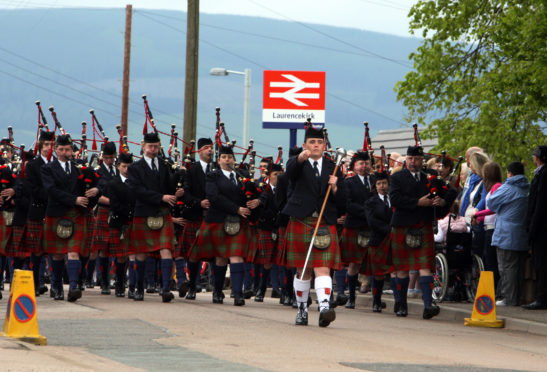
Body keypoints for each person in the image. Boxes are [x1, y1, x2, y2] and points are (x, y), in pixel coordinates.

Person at [281, 126, 345, 327]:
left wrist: (336, 188)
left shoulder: (332, 166)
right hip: (302, 220)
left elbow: (343, 203)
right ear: (305, 145)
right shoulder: (297, 163)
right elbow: (290, 171)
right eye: (312, 142)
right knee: (303, 271)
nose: (316, 146)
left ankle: (325, 308)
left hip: (324, 222)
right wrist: (300, 158)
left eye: (319, 143)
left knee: (323, 268)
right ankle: (302, 310)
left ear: (324, 146)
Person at [390, 145, 456, 319]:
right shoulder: (397, 177)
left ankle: (428, 305)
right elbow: (395, 199)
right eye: (411, 159)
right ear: (406, 160)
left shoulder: (431, 177)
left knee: (426, 266)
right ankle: (401, 304)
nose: (413, 162)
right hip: (402, 226)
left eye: (417, 159)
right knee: (402, 269)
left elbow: (452, 191)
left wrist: (442, 202)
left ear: (422, 160)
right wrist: (417, 203)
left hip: (423, 225)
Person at [188, 145, 253, 306]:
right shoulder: (213, 176)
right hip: (218, 220)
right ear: (219, 160)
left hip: (237, 222)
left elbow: (254, 192)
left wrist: (257, 200)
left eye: (230, 157)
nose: (227, 160)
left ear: (234, 160)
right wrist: (236, 209)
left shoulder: (242, 176)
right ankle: (217, 291)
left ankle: (237, 293)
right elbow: (213, 197)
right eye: (224, 157)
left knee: (236, 255)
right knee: (221, 258)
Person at [41, 134, 98, 302]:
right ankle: (57, 286)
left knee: (74, 252)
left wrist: (96, 191)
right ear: (56, 150)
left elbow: (97, 184)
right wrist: (73, 199)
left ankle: (73, 287)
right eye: (61, 149)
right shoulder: (48, 168)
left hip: (75, 215)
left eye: (67, 149)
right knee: (58, 254)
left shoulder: (78, 170)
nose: (64, 152)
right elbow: (51, 190)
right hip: (56, 213)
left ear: (72, 151)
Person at [126, 132, 181, 302]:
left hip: (162, 213)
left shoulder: (166, 165)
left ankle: (165, 289)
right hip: (144, 212)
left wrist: (177, 188)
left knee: (166, 249)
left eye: (156, 146)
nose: (153, 149)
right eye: (150, 146)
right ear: (143, 146)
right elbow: (136, 191)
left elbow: (169, 187)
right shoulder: (135, 168)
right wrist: (161, 197)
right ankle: (138, 288)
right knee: (141, 253)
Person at [488, 162, 529, 306]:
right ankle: (517, 298)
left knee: (506, 267)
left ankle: (508, 299)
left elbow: (491, 202)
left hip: (506, 234)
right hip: (522, 234)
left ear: (510, 173)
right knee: (519, 269)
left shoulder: (507, 188)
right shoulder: (527, 188)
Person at [339, 151, 373, 309]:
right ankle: (351, 298)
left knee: (375, 263)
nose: (364, 166)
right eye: (361, 163)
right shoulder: (349, 182)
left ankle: (376, 299)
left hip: (373, 226)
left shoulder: (375, 181)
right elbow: (348, 204)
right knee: (353, 264)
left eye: (367, 163)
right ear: (354, 166)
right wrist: (367, 212)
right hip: (355, 225)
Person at [24, 130, 54, 296]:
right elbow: (32, 189)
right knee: (36, 251)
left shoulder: (57, 164)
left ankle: (54, 286)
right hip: (38, 210)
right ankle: (35, 283)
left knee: (54, 251)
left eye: (51, 145)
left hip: (54, 211)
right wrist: (52, 194)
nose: (48, 148)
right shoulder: (33, 166)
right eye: (46, 145)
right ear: (40, 146)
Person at [183, 138, 214, 300]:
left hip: (215, 217)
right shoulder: (192, 170)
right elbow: (186, 194)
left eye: (212, 148)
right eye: (207, 148)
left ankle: (217, 289)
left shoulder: (217, 168)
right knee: (193, 254)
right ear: (199, 151)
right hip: (196, 216)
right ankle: (192, 287)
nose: (210, 151)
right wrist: (199, 203)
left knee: (216, 254)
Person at [90, 141, 119, 294]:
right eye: (107, 157)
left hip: (116, 212)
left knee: (114, 247)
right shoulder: (98, 172)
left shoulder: (117, 172)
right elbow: (96, 195)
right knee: (101, 248)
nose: (109, 160)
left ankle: (112, 280)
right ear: (102, 157)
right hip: (103, 210)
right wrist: (112, 202)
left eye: (111, 157)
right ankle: (104, 281)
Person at [106, 152, 135, 297]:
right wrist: (130, 211)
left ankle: (133, 286)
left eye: (129, 166)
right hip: (118, 222)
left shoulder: (136, 183)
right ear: (118, 167)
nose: (127, 169)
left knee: (134, 255)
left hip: (133, 222)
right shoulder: (113, 183)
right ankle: (119, 284)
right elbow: (115, 205)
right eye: (124, 166)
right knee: (121, 256)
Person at [363, 171, 393, 312]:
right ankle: (376, 301)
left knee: (397, 271)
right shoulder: (370, 202)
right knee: (378, 273)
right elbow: (371, 221)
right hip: (378, 240)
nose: (382, 186)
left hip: (394, 239)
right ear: (375, 186)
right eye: (379, 184)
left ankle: (399, 302)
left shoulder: (394, 199)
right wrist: (389, 229)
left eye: (384, 183)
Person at [523, 146, 547, 310]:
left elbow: (540, 204)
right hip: (541, 226)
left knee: (542, 263)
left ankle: (542, 298)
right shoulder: (541, 173)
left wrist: (532, 227)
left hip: (542, 228)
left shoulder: (543, 175)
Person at [472, 161, 503, 287]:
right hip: (487, 226)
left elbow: (493, 208)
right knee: (487, 258)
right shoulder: (490, 188)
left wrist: (477, 215)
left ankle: (493, 288)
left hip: (492, 228)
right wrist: (479, 220)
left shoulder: (496, 187)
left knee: (491, 261)